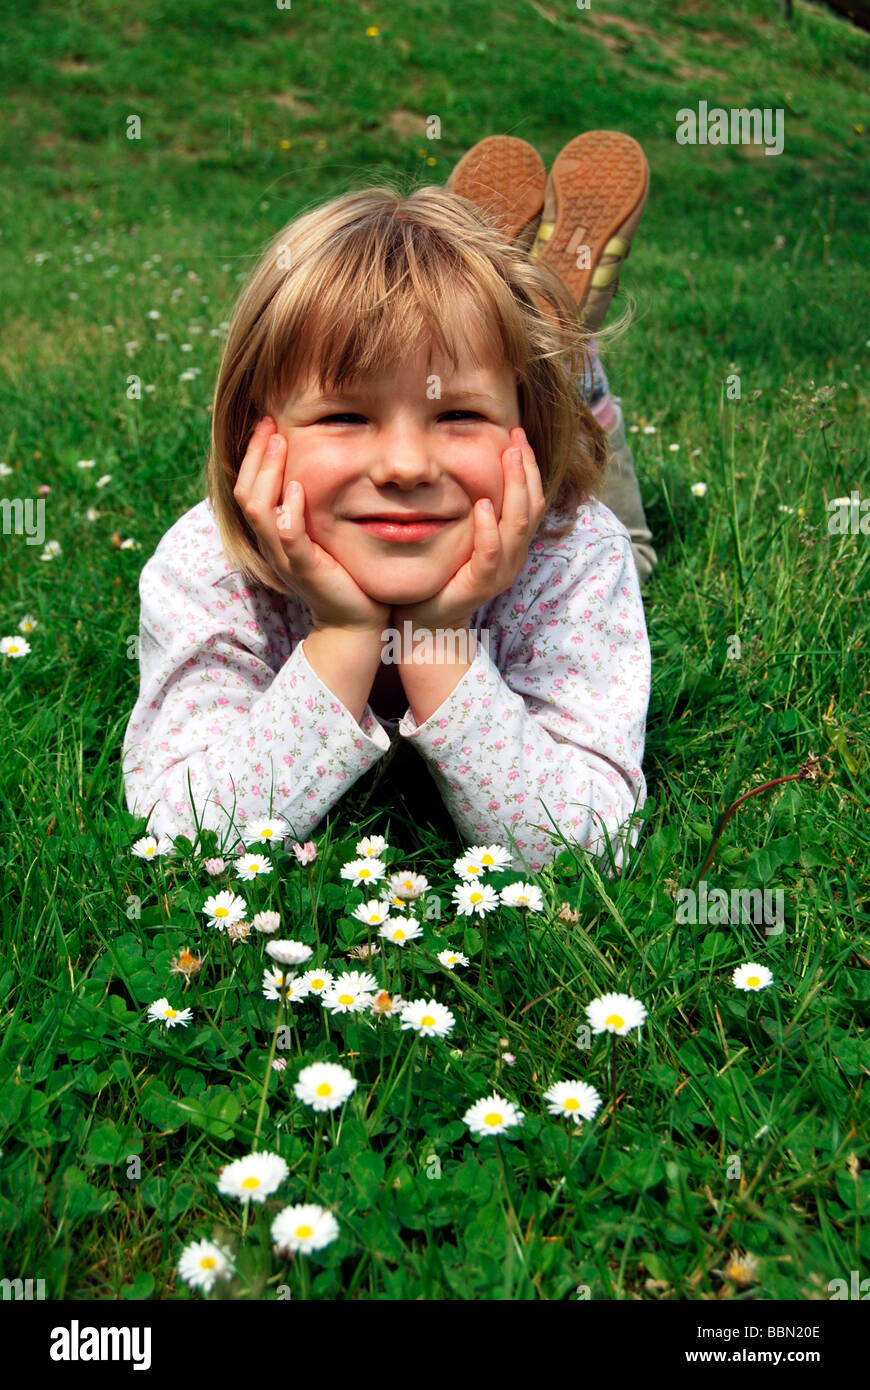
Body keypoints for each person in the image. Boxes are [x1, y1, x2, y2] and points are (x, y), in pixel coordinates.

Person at [121, 175, 651, 874]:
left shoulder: (573, 554)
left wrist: (435, 642)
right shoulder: (210, 562)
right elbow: (183, 832)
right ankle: (535, 313)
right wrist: (342, 634)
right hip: (483, 469)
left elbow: (584, 846)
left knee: (625, 528)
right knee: (517, 351)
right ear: (255, 432)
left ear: (520, 424)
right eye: (345, 416)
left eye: (459, 414)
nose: (405, 466)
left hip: (546, 477)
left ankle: (572, 358)